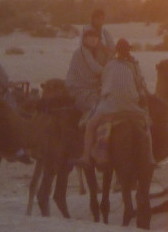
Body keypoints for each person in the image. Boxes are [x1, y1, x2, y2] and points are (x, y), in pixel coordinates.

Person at [73, 38, 153, 167]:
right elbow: (140, 84)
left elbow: (105, 86)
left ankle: (86, 157)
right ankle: (150, 158)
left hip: (111, 108)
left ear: (117, 50)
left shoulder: (109, 65)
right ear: (129, 50)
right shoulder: (134, 65)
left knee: (90, 125)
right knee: (146, 125)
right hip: (132, 107)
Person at [65, 28, 105, 114]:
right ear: (85, 39)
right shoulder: (81, 52)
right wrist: (110, 71)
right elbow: (95, 68)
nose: (94, 39)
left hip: (90, 88)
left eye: (96, 37)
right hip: (78, 88)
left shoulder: (95, 53)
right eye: (90, 37)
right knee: (98, 106)